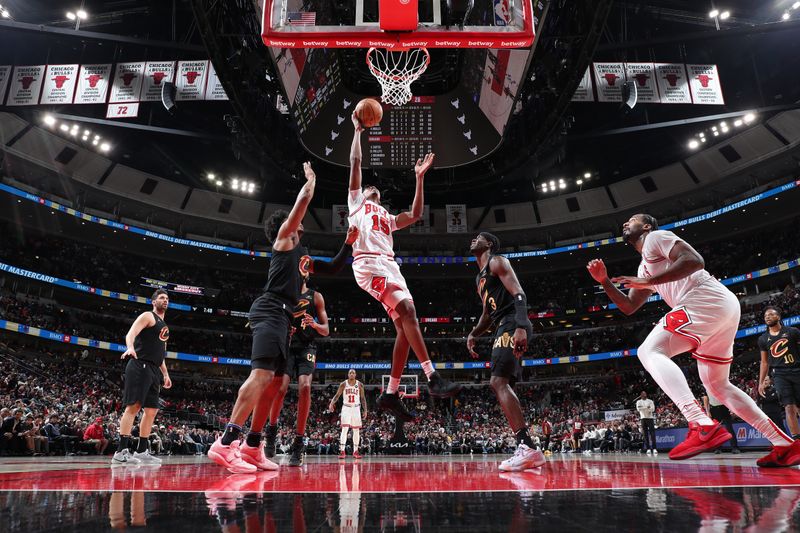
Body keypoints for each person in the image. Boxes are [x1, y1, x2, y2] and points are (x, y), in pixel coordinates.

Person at [588, 213, 799, 466]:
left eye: (632, 219)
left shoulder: (655, 237)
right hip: (720, 308)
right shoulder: (645, 265)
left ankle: (700, 423)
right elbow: (629, 305)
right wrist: (604, 281)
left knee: (649, 351)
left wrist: (650, 281)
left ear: (645, 226)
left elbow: (694, 260)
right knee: (717, 385)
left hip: (703, 298)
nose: (625, 223)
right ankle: (784, 444)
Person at [208, 162, 358, 474]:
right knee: (261, 377)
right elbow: (300, 206)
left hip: (284, 317)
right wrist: (310, 184)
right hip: (270, 308)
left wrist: (348, 242)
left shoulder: (302, 256)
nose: (300, 223)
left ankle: (252, 446)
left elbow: (331, 269)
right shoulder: (285, 240)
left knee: (274, 384)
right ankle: (225, 442)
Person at [348, 114, 460, 421]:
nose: (375, 193)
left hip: (389, 267)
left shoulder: (386, 217)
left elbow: (415, 214)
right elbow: (356, 164)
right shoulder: (356, 203)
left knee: (403, 328)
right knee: (409, 311)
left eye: (377, 193)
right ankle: (433, 377)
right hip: (369, 265)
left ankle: (390, 394)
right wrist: (358, 132)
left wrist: (420, 178)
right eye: (372, 190)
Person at [466, 232, 543, 472]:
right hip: (503, 323)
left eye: (479, 238)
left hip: (512, 322)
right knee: (501, 382)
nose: (473, 240)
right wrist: (473, 334)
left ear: (488, 244)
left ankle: (526, 446)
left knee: (498, 382)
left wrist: (520, 325)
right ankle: (529, 449)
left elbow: (518, 292)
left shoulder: (497, 261)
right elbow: (487, 315)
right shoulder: (480, 277)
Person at [264, 269, 338, 467]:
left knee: (305, 387)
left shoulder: (316, 297)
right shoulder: (284, 296)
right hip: (287, 345)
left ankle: (299, 441)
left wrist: (313, 324)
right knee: (280, 388)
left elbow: (326, 330)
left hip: (307, 347)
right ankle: (271, 430)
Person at [112, 289, 172, 465]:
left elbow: (160, 353)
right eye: (162, 298)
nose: (165, 300)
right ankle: (120, 451)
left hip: (154, 369)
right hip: (140, 364)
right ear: (153, 301)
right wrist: (130, 347)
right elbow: (130, 333)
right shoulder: (148, 316)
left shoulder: (164, 325)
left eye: (167, 298)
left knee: (152, 411)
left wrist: (166, 374)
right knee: (134, 406)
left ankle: (141, 450)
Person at [758, 306, 800, 439]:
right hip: (779, 374)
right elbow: (764, 362)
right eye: (765, 316)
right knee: (789, 407)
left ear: (778, 317)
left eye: (771, 314)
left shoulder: (793, 331)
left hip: (797, 370)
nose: (768, 317)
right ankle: (796, 440)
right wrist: (760, 382)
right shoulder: (763, 339)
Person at [328, 369, 367, 459]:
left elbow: (363, 398)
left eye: (353, 373)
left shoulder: (360, 384)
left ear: (355, 375)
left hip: (356, 408)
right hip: (346, 407)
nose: (352, 374)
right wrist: (331, 403)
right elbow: (337, 395)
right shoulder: (343, 384)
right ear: (348, 374)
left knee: (356, 430)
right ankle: (342, 451)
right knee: (344, 429)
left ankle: (356, 451)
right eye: (350, 373)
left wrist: (365, 410)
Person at [702, 390, 741, 454]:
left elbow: (728, 396)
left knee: (729, 429)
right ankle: (718, 448)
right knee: (716, 431)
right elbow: (706, 398)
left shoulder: (719, 383)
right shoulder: (706, 386)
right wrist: (707, 411)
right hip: (713, 409)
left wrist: (731, 408)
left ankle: (735, 448)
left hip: (724, 408)